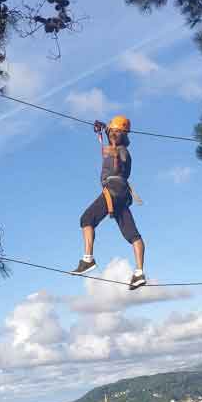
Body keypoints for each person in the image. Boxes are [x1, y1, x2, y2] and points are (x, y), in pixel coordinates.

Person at [70, 115, 147, 290]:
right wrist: (104, 128)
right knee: (133, 235)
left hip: (113, 190)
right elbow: (112, 134)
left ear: (118, 133)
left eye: (113, 131)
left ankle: (88, 260)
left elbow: (114, 153)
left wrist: (110, 142)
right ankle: (139, 273)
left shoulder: (121, 152)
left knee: (86, 219)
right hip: (122, 195)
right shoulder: (119, 145)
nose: (111, 133)